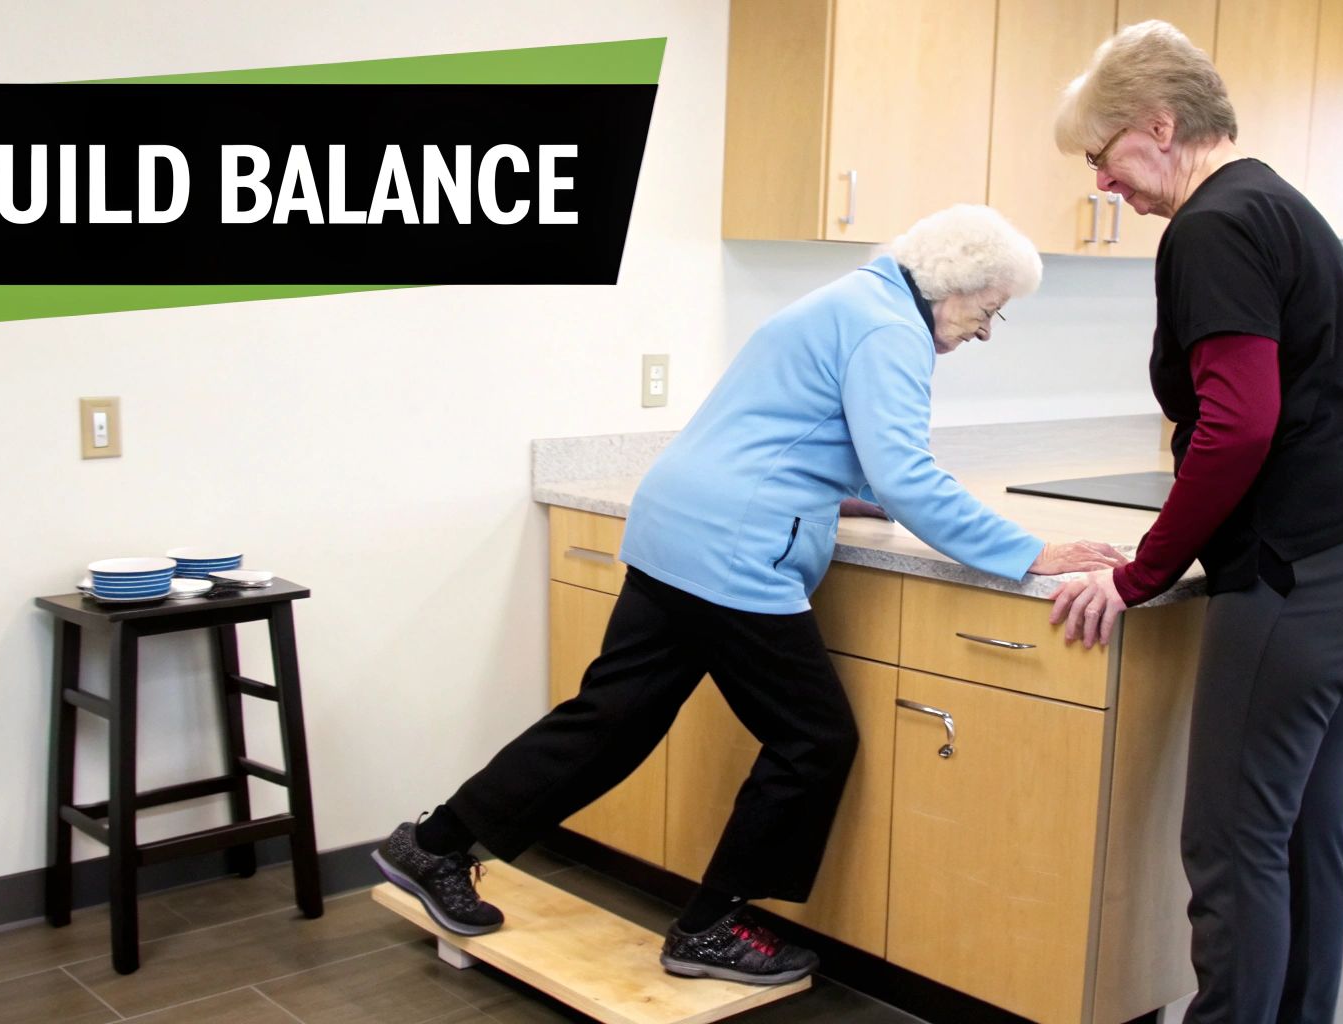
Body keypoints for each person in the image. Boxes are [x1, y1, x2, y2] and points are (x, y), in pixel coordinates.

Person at [372, 203, 1126, 985]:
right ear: (953, 287)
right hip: (733, 549)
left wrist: (839, 487)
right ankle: (711, 927)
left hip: (677, 526)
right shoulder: (889, 329)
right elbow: (905, 473)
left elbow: (802, 429)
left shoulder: (850, 300)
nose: (987, 330)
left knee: (610, 721)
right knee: (814, 740)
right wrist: (1029, 551)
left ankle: (431, 844)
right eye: (990, 310)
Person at [1045, 22, 1343, 1024]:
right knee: (1304, 828)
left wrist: (1138, 573)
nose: (1103, 186)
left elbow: (1235, 423)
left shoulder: (1211, 224)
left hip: (1297, 569)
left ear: (1158, 125)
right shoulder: (1273, 200)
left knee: (1228, 838)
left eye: (1102, 156)